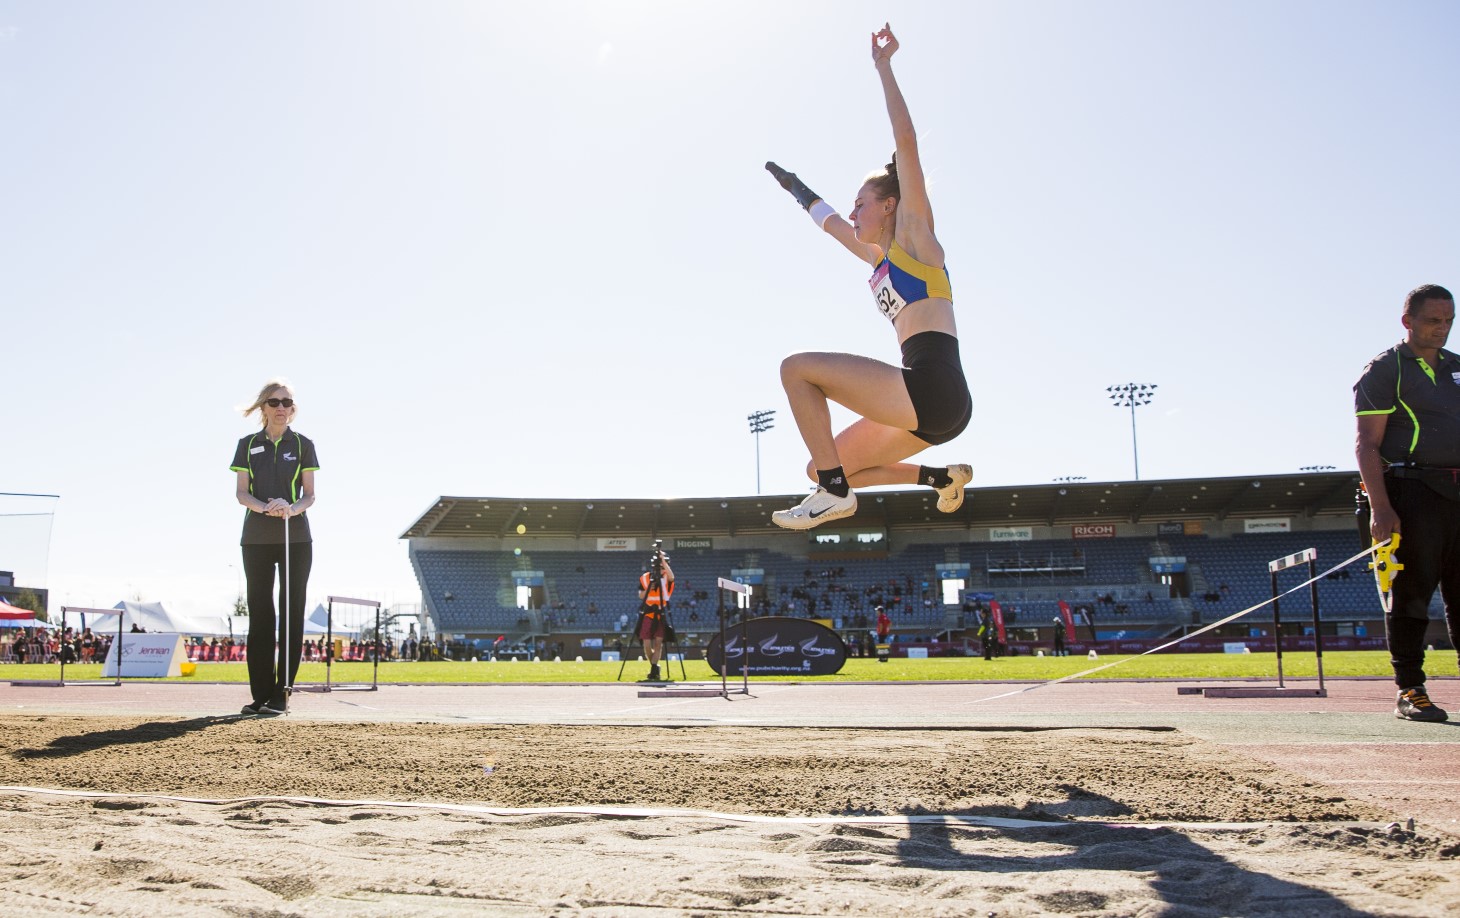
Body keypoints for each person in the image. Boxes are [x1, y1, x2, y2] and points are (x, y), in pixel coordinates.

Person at [765, 23, 972, 530]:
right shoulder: (879, 261)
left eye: (863, 204)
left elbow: (906, 143)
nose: (855, 213)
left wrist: (884, 67)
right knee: (821, 464)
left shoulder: (917, 241)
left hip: (933, 384)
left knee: (797, 369)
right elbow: (832, 223)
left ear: (891, 206)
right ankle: (938, 478)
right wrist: (797, 190)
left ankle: (835, 494)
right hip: (933, 408)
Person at [1356, 283, 1459, 723]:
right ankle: (1410, 689)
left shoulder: (1458, 368)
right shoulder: (1385, 369)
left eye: (1449, 320)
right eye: (1434, 320)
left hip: (1458, 492)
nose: (1443, 329)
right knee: (1413, 595)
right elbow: (1366, 445)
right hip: (1410, 492)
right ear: (1408, 321)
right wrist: (1381, 507)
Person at [230, 379, 319, 716]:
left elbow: (310, 494)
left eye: (287, 402)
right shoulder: (247, 444)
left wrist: (291, 508)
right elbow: (241, 493)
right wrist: (265, 507)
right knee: (261, 613)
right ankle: (261, 694)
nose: (281, 407)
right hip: (256, 538)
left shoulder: (304, 444)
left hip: (295, 537)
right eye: (274, 402)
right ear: (263, 408)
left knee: (291, 610)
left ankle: (282, 694)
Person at [636, 551, 675, 682]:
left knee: (658, 643)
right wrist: (649, 589)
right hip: (648, 613)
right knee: (646, 643)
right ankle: (654, 667)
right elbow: (641, 595)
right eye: (660, 566)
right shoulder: (646, 578)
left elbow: (672, 576)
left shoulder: (666, 578)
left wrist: (663, 559)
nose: (662, 568)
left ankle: (653, 670)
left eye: (664, 566)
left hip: (660, 613)